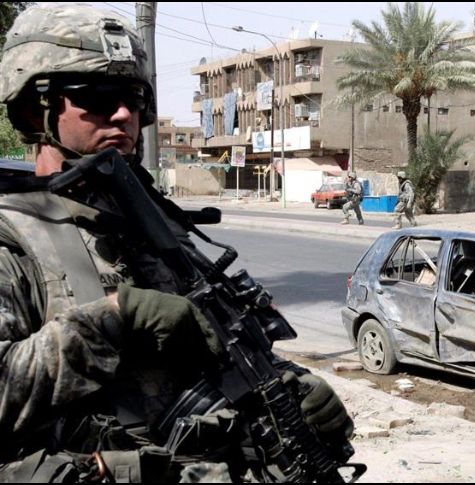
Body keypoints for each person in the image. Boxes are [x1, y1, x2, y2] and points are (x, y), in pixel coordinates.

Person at [0, 5, 352, 482]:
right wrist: (113, 317)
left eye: (135, 99)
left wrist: (291, 387)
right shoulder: (14, 238)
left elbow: (224, 347)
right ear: (33, 109)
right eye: (99, 97)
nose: (124, 115)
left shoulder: (158, 226)